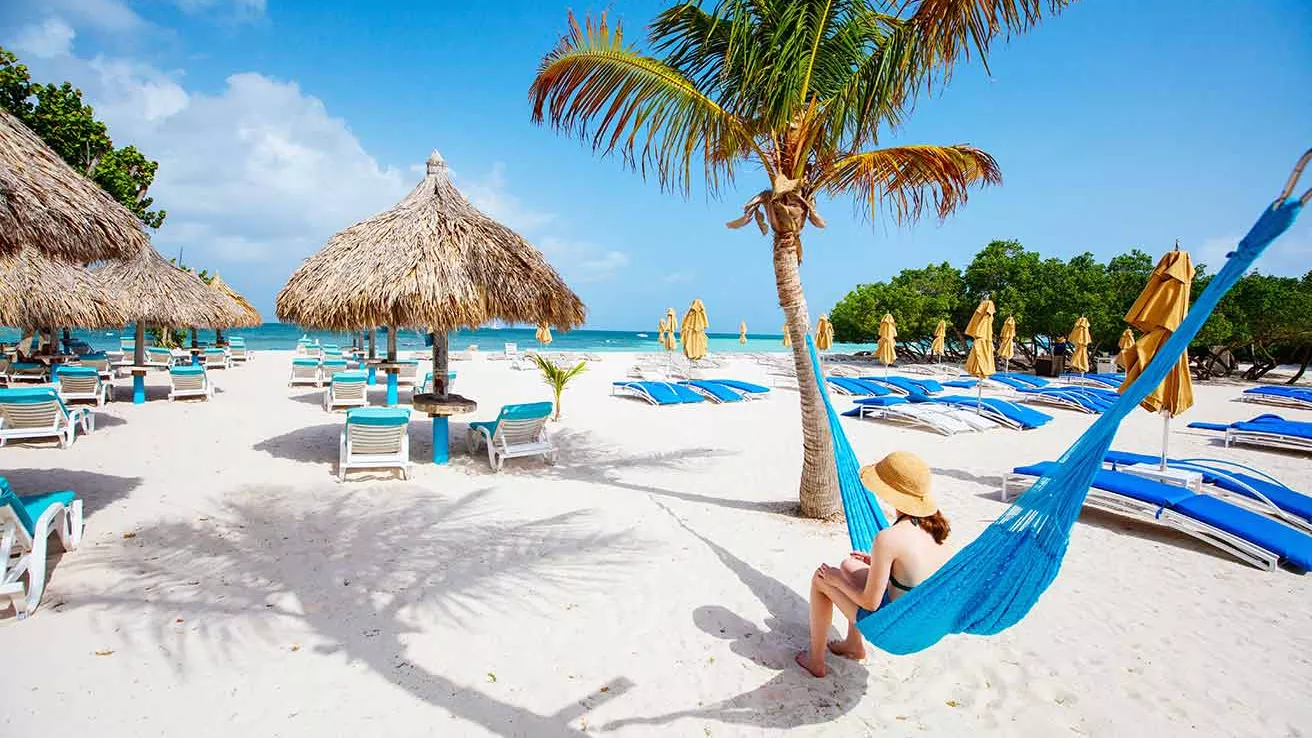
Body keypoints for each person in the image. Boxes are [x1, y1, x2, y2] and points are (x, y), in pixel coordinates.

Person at [795, 451, 952, 677]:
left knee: (821, 578)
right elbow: (916, 573)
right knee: (850, 565)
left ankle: (815, 662)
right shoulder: (939, 531)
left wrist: (836, 580)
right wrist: (879, 564)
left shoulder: (888, 538)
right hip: (922, 624)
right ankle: (853, 645)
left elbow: (869, 603)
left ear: (891, 493)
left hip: (894, 631)